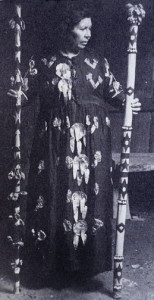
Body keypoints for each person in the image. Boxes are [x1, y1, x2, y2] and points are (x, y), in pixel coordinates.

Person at [8, 4, 141, 278]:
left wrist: (130, 101)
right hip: (55, 146)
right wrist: (15, 93)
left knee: (91, 200)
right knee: (55, 195)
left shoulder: (98, 61)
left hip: (94, 148)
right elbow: (22, 95)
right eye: (82, 28)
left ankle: (84, 268)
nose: (88, 34)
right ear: (67, 30)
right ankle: (53, 268)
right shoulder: (44, 63)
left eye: (90, 28)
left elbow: (115, 91)